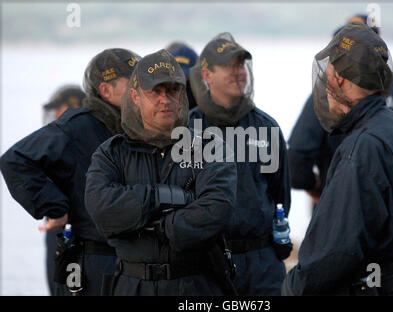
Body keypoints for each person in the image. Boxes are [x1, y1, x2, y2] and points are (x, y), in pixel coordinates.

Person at [282, 23, 393, 296]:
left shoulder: (361, 148)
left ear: (339, 77)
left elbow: (333, 253)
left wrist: (291, 288)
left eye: (328, 71)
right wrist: (391, 264)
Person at [84, 49, 237, 296]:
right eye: (155, 91)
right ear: (135, 96)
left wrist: (152, 226)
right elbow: (100, 209)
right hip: (131, 286)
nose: (165, 99)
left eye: (172, 90)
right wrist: (160, 197)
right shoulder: (111, 153)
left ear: (182, 94)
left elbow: (216, 210)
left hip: (195, 286)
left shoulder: (210, 148)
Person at [0, 48, 141, 296]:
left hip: (131, 262)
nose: (140, 91)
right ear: (106, 90)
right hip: (90, 261)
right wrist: (55, 207)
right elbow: (15, 160)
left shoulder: (135, 128)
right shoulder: (77, 126)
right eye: (133, 83)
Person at [189, 32, 292, 296]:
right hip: (206, 262)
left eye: (241, 65)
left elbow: (281, 195)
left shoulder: (266, 127)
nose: (238, 73)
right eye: (228, 66)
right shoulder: (187, 129)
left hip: (262, 263)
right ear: (207, 74)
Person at [41, 84, 86, 296]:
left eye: (59, 108)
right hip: (58, 230)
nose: (54, 114)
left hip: (71, 233)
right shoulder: (56, 143)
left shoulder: (76, 144)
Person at [168, 44, 199, 110]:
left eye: (185, 75)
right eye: (177, 74)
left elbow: (198, 119)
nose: (181, 78)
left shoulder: (199, 95)